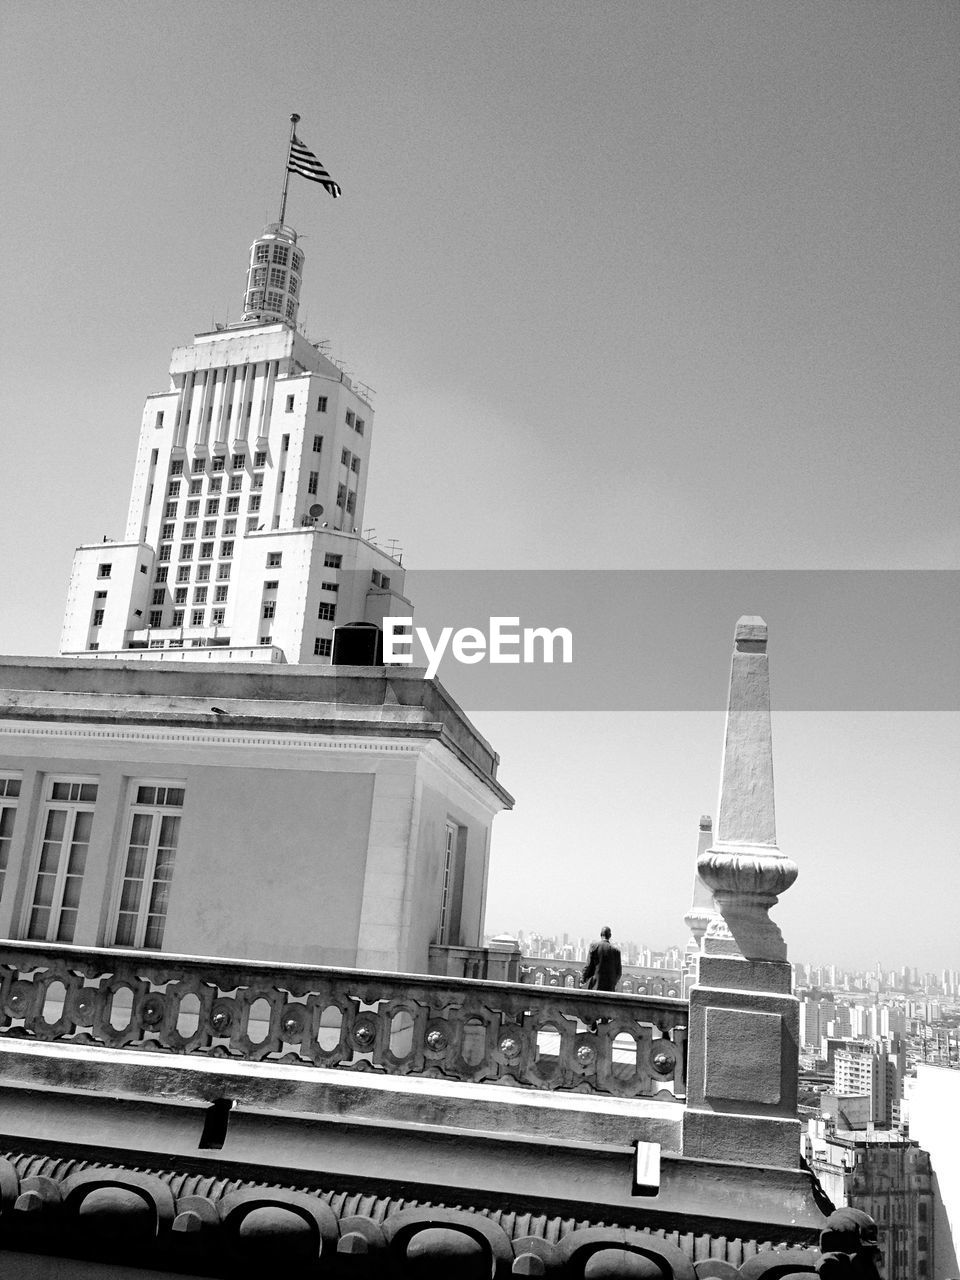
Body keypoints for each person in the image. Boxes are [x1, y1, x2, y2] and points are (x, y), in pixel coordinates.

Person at [581, 927, 622, 1030]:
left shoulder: (594, 947)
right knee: (605, 1012)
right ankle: (603, 1031)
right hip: (609, 987)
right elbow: (619, 972)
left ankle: (591, 1024)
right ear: (610, 936)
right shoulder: (616, 951)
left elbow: (588, 966)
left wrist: (583, 979)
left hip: (595, 985)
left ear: (601, 934)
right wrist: (612, 983)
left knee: (590, 1006)